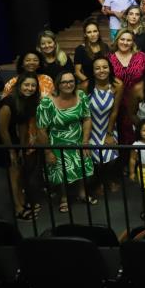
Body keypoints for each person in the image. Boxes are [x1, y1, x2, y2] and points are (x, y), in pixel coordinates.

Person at [0, 74, 41, 220]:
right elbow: (2, 130)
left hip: (10, 135)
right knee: (14, 171)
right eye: (26, 85)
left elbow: (22, 126)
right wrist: (11, 152)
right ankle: (18, 208)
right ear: (19, 86)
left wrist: (21, 149)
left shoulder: (28, 102)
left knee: (18, 168)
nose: (30, 88)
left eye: (33, 85)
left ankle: (21, 201)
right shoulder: (8, 104)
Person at [37, 71, 95, 212]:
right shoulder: (47, 102)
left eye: (71, 81)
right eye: (64, 82)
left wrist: (85, 142)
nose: (68, 84)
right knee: (61, 171)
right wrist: (48, 151)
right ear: (58, 84)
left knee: (82, 165)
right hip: (57, 141)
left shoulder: (81, 96)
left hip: (78, 139)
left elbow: (87, 118)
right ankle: (64, 197)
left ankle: (82, 193)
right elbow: (41, 129)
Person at [82, 56, 124, 195]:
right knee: (95, 159)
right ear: (92, 71)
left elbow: (115, 111)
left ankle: (107, 180)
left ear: (110, 69)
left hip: (107, 125)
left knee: (110, 157)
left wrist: (109, 133)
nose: (102, 71)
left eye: (105, 67)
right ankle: (98, 182)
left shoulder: (117, 84)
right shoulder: (85, 85)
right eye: (97, 68)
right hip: (90, 127)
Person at [73, 19, 110, 85]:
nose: (92, 34)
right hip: (89, 82)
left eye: (95, 31)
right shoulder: (80, 49)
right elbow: (77, 72)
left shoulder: (105, 46)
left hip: (105, 81)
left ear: (98, 32)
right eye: (89, 32)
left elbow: (109, 66)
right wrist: (90, 83)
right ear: (85, 34)